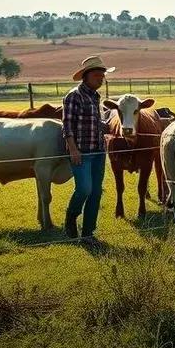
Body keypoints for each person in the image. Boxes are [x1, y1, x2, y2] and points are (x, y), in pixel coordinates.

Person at [62, 55, 115, 242]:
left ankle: (88, 233)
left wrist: (105, 126)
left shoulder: (95, 96)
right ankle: (70, 218)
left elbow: (91, 121)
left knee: (96, 192)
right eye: (97, 76)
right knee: (84, 189)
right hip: (82, 152)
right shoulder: (73, 96)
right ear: (86, 76)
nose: (101, 79)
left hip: (99, 151)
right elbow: (67, 125)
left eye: (102, 76)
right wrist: (73, 149)